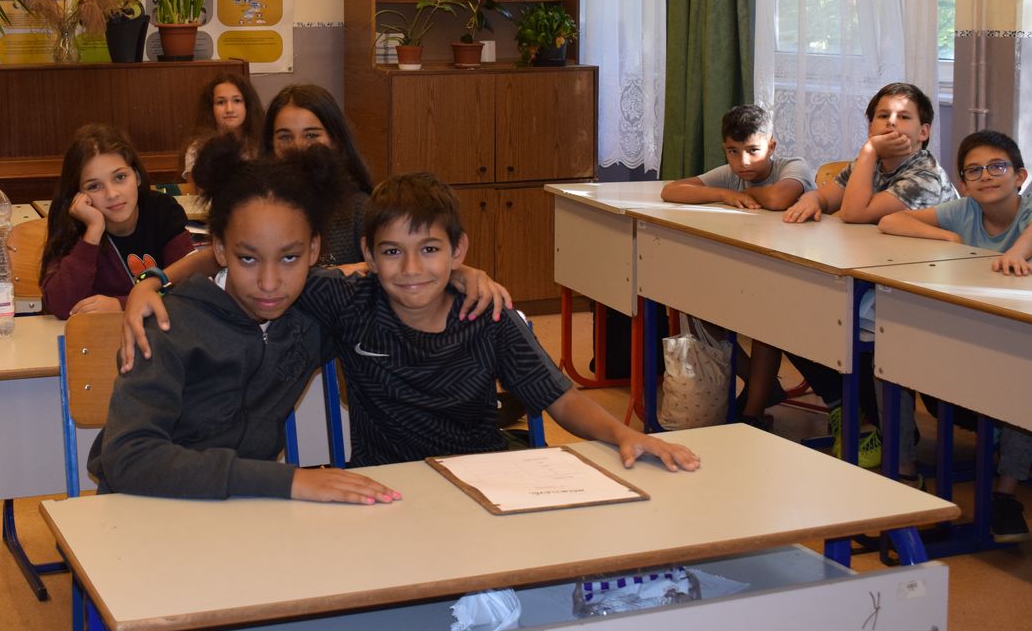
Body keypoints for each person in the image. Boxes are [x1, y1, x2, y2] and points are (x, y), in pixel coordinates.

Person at [121, 158, 698, 474]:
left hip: (485, 474)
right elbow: (252, 254)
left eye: (431, 251)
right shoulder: (346, 301)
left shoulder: (486, 312)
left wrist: (624, 433)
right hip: (389, 482)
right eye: (393, 252)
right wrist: (154, 280)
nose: (413, 269)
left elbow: (560, 397)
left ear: (458, 251)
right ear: (368, 256)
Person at [87, 141, 401, 504]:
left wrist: (455, 277)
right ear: (220, 249)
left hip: (245, 512)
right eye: (248, 259)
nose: (269, 283)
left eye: (289, 258)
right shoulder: (167, 325)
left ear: (314, 249)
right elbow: (128, 458)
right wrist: (287, 480)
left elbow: (406, 288)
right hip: (145, 512)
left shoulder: (314, 311)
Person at [878, 129, 1032, 541]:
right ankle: (904, 474)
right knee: (891, 359)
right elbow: (890, 220)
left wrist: (1015, 254)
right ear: (962, 184)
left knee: (1024, 385)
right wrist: (946, 236)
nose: (986, 176)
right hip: (975, 331)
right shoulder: (964, 210)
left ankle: (1005, 495)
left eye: (997, 167)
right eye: (973, 171)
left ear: (1020, 175)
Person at [782, 81, 958, 475]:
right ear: (870, 125)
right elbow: (830, 195)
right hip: (874, 284)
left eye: (903, 117)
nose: (891, 123)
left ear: (924, 132)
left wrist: (867, 151)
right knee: (790, 308)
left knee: (837, 321)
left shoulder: (925, 175)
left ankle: (882, 424)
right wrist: (811, 198)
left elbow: (854, 212)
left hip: (924, 295)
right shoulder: (871, 165)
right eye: (882, 116)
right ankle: (848, 408)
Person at [660, 105, 814, 428]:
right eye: (733, 151)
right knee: (697, 308)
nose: (743, 162)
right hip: (748, 271)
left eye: (753, 151)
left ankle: (752, 414)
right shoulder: (732, 176)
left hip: (797, 277)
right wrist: (724, 194)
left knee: (765, 321)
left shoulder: (792, 166)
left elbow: (779, 198)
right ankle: (764, 385)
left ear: (771, 145)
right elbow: (671, 190)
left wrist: (735, 193)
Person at [40, 124, 195, 317]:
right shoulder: (73, 226)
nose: (112, 194)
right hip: (96, 334)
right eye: (94, 186)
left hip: (161, 330)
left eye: (120, 177)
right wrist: (92, 232)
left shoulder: (162, 210)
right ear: (78, 195)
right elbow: (61, 306)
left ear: (137, 177)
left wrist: (122, 305)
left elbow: (188, 290)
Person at [261, 84, 374, 265]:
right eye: (285, 137)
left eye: (311, 136)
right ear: (271, 145)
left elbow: (385, 268)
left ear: (335, 140)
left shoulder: (359, 209)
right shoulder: (257, 206)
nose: (298, 146)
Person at [181, 72, 264, 191]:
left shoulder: (262, 143)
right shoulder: (197, 148)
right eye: (221, 102)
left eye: (237, 101)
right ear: (211, 108)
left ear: (248, 105)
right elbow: (196, 196)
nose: (229, 109)